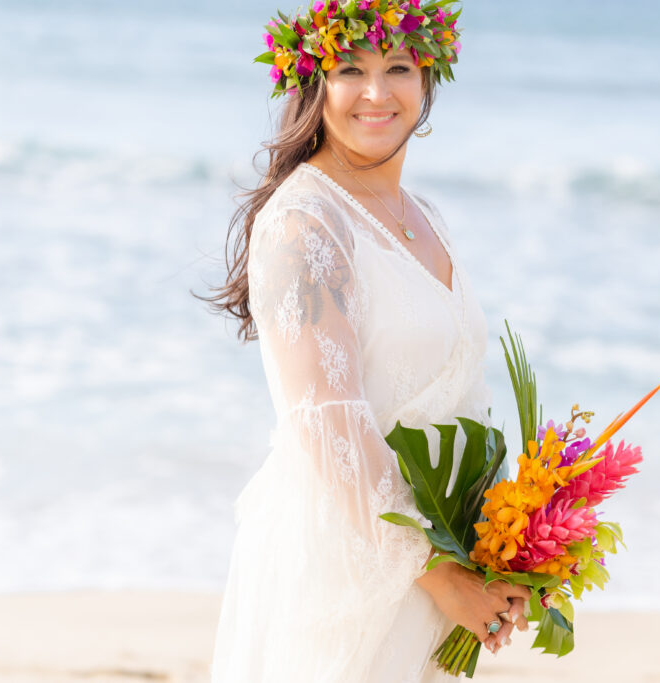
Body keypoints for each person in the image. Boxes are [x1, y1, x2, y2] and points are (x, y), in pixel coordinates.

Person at [202, 2, 531, 680]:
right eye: (351, 67)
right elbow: (329, 423)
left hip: (428, 567)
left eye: (399, 68)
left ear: (429, 77)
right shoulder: (307, 222)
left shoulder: (424, 215)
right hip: (345, 569)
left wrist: (502, 549)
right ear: (314, 80)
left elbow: (457, 397)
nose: (377, 93)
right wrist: (443, 577)